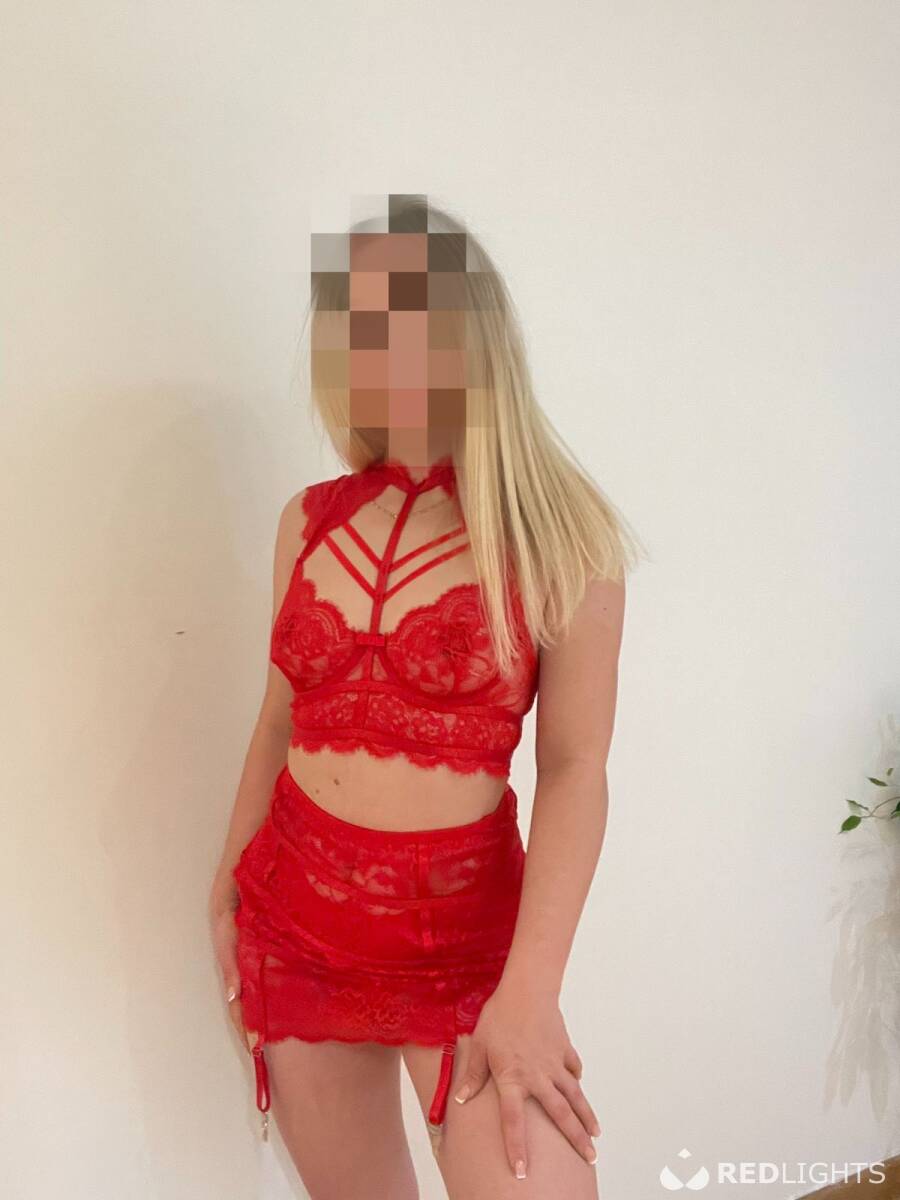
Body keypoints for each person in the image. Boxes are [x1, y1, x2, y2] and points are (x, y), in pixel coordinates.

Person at [208, 194, 643, 1200]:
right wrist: (226, 887)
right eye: (356, 319)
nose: (379, 344)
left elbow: (576, 769)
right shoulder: (306, 521)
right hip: (295, 923)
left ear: (470, 325)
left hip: (469, 950)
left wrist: (532, 990)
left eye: (407, 312)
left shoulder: (562, 541)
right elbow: (279, 719)